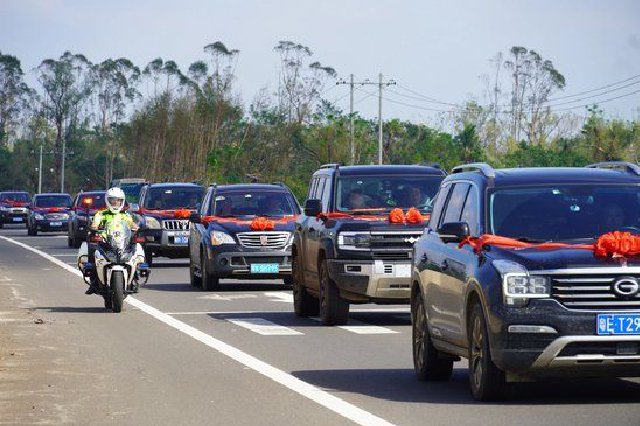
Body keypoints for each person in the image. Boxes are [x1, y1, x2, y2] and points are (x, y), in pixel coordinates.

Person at [85, 187, 138, 295]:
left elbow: (132, 224)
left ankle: (134, 278)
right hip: (106, 242)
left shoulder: (125, 215)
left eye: (118, 200)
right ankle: (94, 282)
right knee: (93, 252)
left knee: (137, 251)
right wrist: (94, 226)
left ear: (122, 201)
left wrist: (136, 227)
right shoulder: (101, 214)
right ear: (108, 200)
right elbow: (95, 223)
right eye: (113, 200)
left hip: (123, 241)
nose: (115, 202)